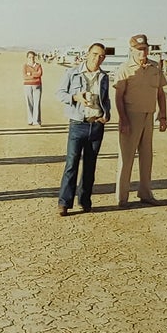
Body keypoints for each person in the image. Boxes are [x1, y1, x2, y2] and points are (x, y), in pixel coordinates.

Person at [114, 33, 167, 206]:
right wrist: (123, 120)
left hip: (149, 116)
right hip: (131, 116)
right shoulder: (125, 68)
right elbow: (118, 96)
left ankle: (145, 193)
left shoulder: (155, 67)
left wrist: (163, 116)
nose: (142, 53)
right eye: (138, 50)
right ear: (131, 50)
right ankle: (122, 198)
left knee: (147, 157)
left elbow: (160, 93)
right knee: (126, 158)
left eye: (144, 49)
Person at [57, 42, 112, 215]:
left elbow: (106, 99)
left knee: (90, 165)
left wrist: (107, 114)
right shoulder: (72, 73)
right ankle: (64, 203)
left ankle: (85, 200)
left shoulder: (103, 77)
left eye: (102, 56)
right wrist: (75, 97)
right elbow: (59, 94)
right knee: (71, 164)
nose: (98, 59)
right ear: (87, 54)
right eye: (95, 54)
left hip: (96, 125)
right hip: (78, 124)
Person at [23, 49, 44, 125]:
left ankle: (37, 121)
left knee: (37, 103)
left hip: (37, 85)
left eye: (32, 57)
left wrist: (30, 74)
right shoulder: (25, 66)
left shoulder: (38, 65)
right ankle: (30, 120)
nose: (31, 59)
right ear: (27, 58)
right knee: (29, 103)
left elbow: (39, 74)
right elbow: (25, 76)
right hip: (27, 86)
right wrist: (33, 75)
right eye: (29, 57)